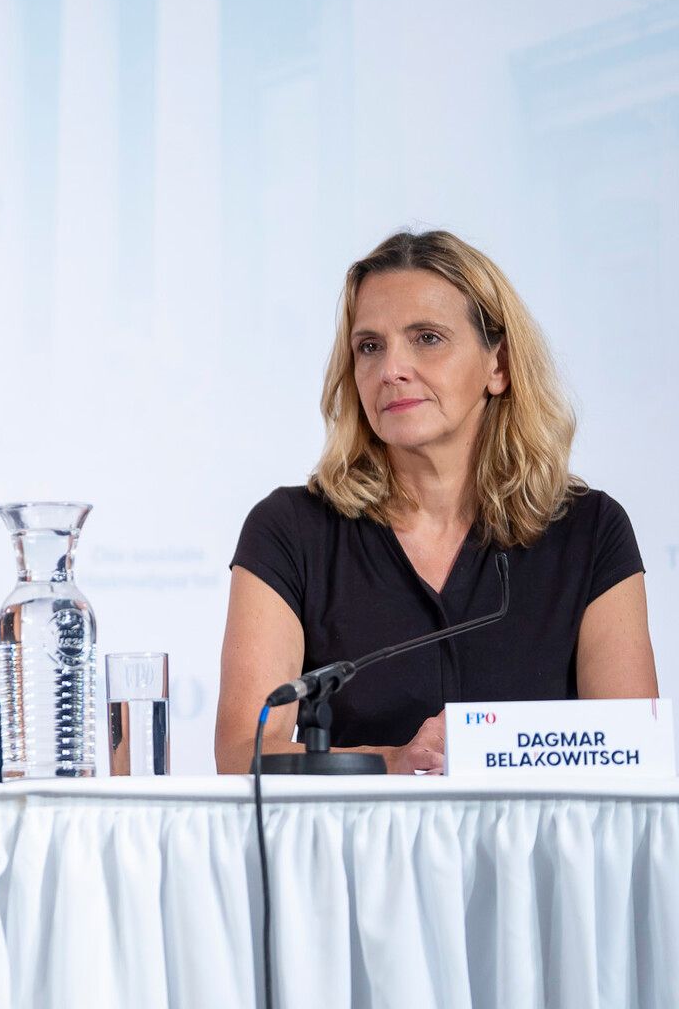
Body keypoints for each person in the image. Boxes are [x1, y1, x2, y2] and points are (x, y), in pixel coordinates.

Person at [215, 230, 658, 775]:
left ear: (498, 366)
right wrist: (392, 761)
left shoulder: (591, 531)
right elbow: (242, 752)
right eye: (369, 346)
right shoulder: (289, 530)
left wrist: (487, 753)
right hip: (352, 854)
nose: (390, 369)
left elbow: (634, 754)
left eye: (426, 338)